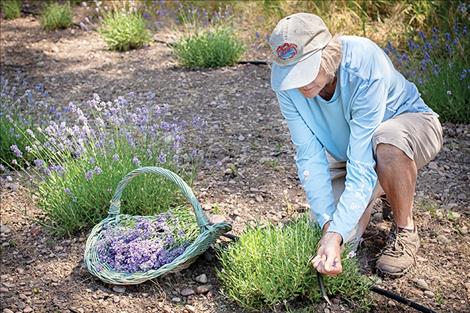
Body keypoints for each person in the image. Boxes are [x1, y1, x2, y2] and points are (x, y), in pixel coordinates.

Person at [269, 13, 443, 277]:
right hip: (349, 150)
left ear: (327, 54)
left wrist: (336, 232)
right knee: (340, 240)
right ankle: (385, 188)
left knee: (387, 143)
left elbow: (362, 164)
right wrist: (330, 228)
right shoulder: (287, 86)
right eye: (292, 74)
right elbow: (309, 156)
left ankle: (405, 229)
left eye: (305, 70)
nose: (300, 83)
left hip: (406, 130)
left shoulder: (363, 63)